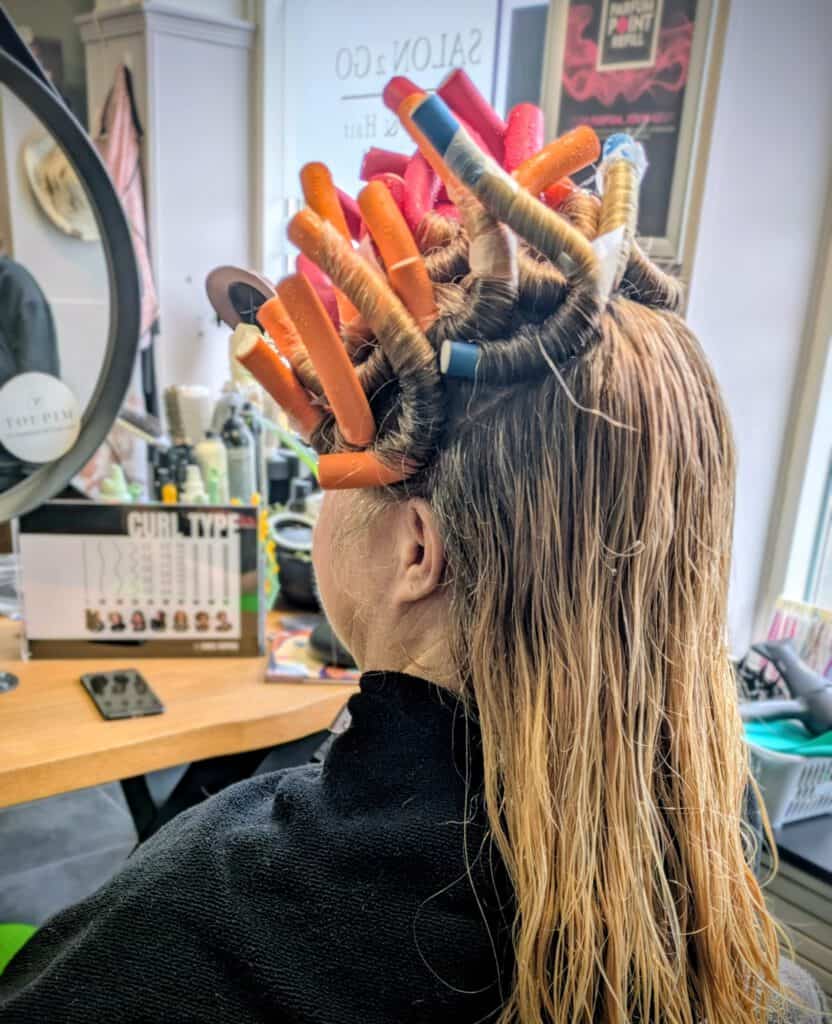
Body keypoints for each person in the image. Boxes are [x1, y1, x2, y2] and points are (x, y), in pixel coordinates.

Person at [0, 93, 826, 1023]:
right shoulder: (729, 925)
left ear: (417, 548)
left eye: (331, 469)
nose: (320, 494)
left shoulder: (195, 925)